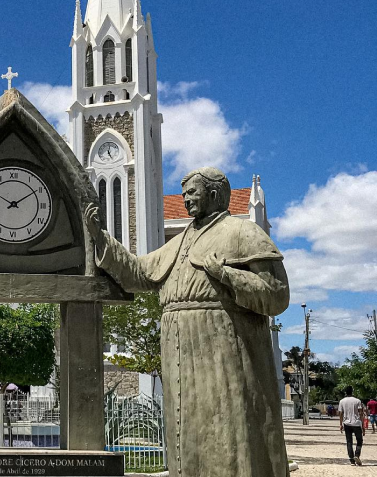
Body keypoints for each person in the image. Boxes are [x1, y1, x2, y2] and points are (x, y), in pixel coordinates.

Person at [85, 167, 291, 477]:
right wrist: (100, 236)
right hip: (178, 354)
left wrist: (226, 274)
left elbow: (276, 296)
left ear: (214, 194)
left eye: (191, 192)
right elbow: (139, 273)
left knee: (229, 429)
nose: (185, 199)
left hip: (223, 350)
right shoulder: (180, 241)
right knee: (187, 434)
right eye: (182, 194)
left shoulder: (242, 233)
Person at [340, 386, 365, 466]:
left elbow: (341, 413)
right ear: (352, 391)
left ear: (345, 392)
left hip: (346, 423)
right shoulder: (357, 401)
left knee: (349, 441)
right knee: (359, 440)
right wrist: (363, 425)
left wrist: (340, 424)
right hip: (357, 423)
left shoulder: (342, 401)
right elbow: (361, 413)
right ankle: (357, 455)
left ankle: (351, 460)